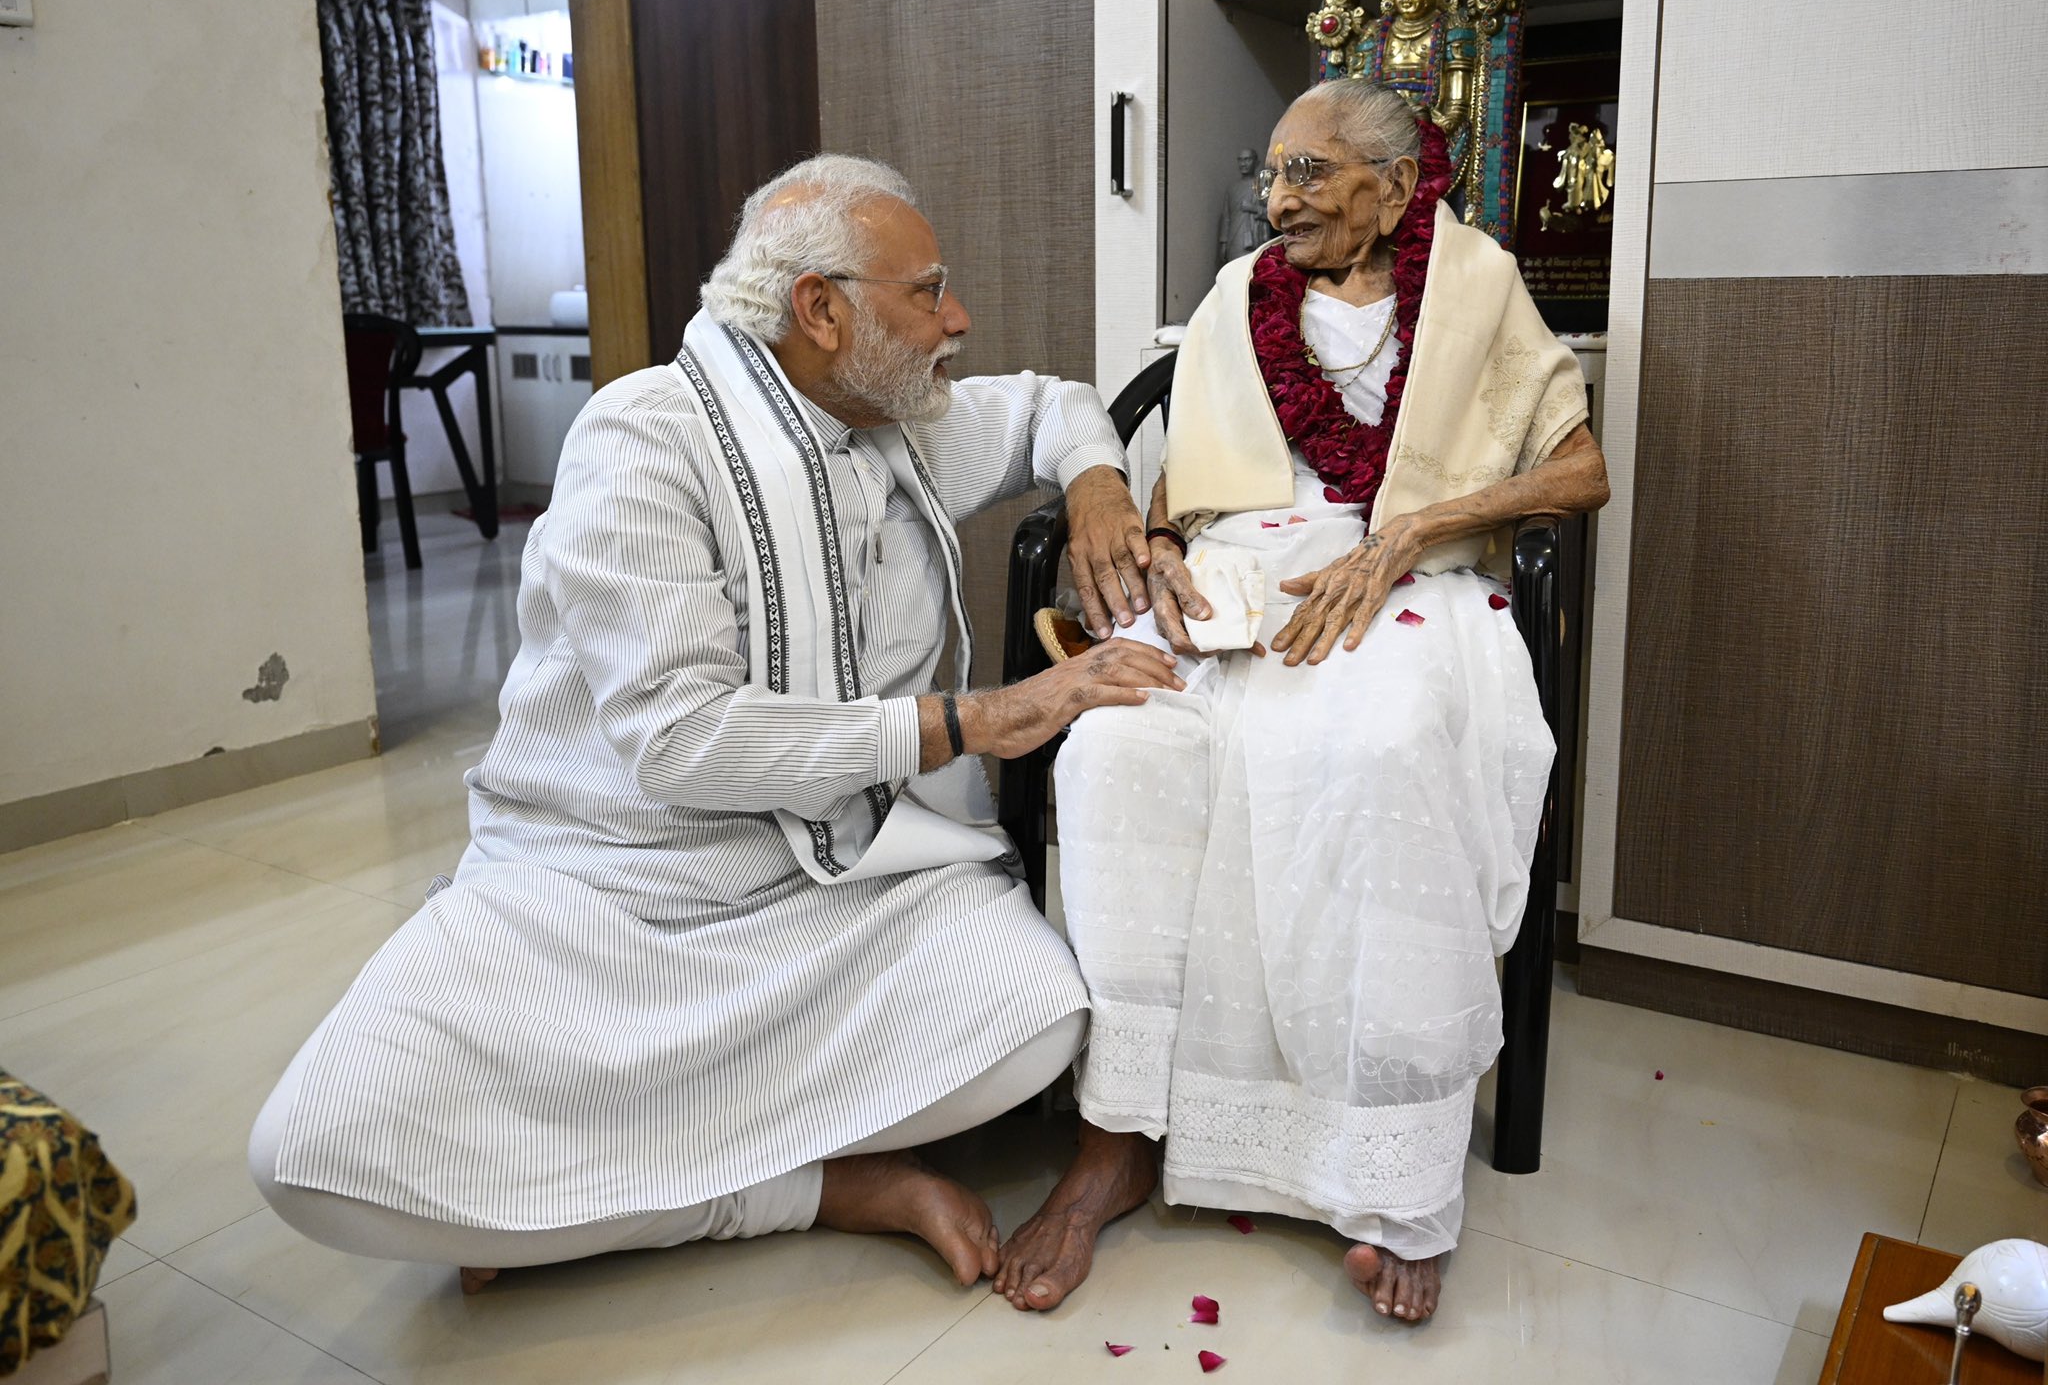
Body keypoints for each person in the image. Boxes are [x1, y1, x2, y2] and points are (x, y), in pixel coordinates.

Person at [249, 154, 1179, 1293]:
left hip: (844, 885)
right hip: (611, 889)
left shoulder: (901, 419)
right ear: (821, 311)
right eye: (926, 291)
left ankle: (588, 1192)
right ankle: (821, 1186)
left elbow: (1051, 404)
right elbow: (684, 742)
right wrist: (973, 720)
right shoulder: (640, 444)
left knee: (1039, 1019)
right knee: (314, 1152)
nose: (958, 318)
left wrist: (1096, 486)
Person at [993, 79, 1609, 1324]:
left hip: (1408, 577)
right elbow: (1179, 484)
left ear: (1391, 187)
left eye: (1308, 175)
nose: (1274, 201)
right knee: (1116, 748)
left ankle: (1392, 1174)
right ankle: (1119, 1131)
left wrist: (1407, 533)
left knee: (1378, 748)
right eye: (1268, 174)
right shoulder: (1235, 297)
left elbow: (1578, 469)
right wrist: (1160, 546)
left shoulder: (1478, 282)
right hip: (1242, 571)